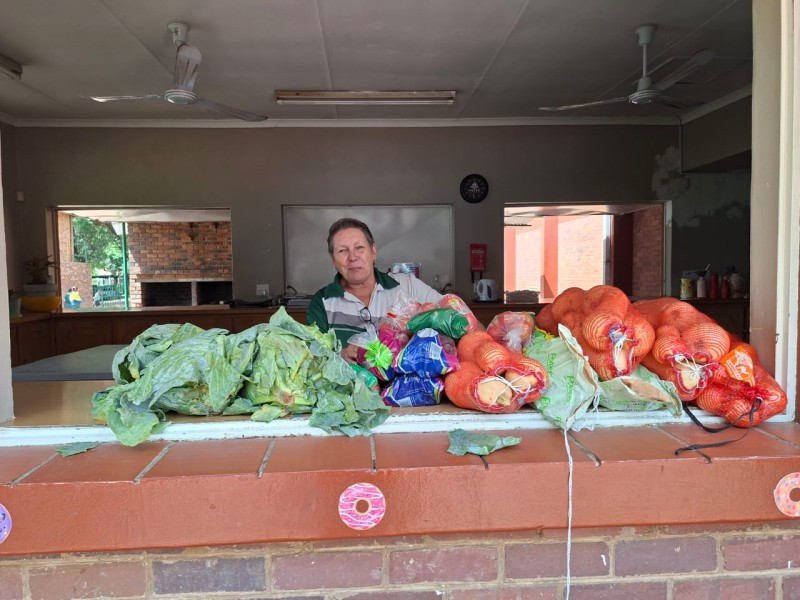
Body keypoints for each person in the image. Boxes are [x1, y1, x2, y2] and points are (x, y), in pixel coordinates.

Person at [307, 217, 442, 362]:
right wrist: (341, 355)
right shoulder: (322, 302)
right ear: (333, 260)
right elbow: (314, 356)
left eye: (359, 248)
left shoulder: (407, 285)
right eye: (342, 250)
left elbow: (453, 313)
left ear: (373, 251)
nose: (353, 257)